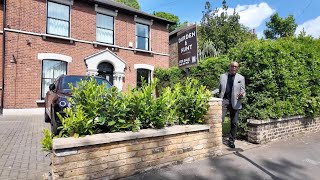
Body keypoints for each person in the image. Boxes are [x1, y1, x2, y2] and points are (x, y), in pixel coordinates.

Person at [218, 61, 245, 148]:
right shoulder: (223, 76)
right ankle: (217, 139)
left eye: (236, 67)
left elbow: (243, 90)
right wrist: (209, 92)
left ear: (237, 68)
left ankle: (231, 141)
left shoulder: (241, 78)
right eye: (232, 66)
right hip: (224, 101)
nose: (234, 68)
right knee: (220, 120)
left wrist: (242, 94)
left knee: (234, 123)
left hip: (235, 102)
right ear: (229, 67)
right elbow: (219, 89)